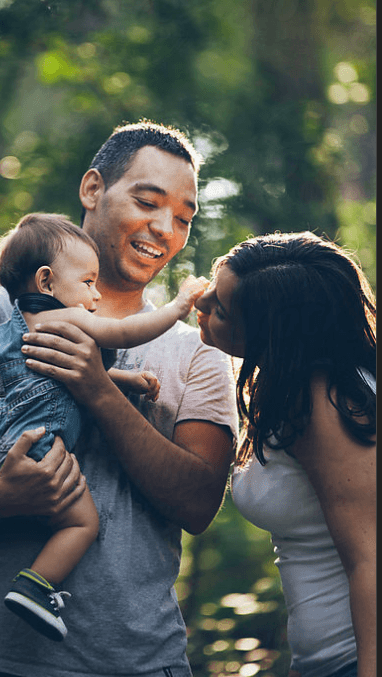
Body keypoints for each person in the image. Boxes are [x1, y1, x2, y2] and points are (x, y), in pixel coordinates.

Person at [0, 120, 239, 677]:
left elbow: (198, 505)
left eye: (184, 218)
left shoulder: (198, 351)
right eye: (147, 201)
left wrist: (99, 391)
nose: (164, 227)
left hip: (136, 663)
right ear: (93, 189)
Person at [0, 211, 207, 641]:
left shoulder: (10, 329)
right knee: (81, 523)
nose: (95, 297)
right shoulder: (69, 320)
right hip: (37, 446)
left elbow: (57, 374)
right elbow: (125, 333)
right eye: (87, 283)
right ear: (46, 283)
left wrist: (124, 381)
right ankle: (35, 586)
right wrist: (177, 306)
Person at [194, 231, 376, 677]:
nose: (199, 303)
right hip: (325, 660)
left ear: (269, 334)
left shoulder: (324, 400)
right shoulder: (294, 385)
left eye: (219, 307)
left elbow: (370, 559)